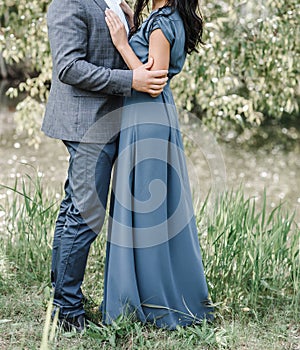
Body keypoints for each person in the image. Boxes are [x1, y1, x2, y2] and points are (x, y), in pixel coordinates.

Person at [41, 0, 169, 332]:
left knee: (77, 209)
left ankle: (62, 299)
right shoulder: (68, 3)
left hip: (112, 121)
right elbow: (68, 68)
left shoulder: (116, 1)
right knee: (86, 215)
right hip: (86, 125)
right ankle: (66, 313)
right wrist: (130, 81)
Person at [102, 0, 214, 329]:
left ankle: (151, 303)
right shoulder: (164, 18)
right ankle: (149, 295)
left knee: (147, 212)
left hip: (146, 115)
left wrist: (122, 42)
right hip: (149, 116)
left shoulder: (164, 24)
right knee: (151, 211)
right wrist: (132, 18)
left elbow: (152, 82)